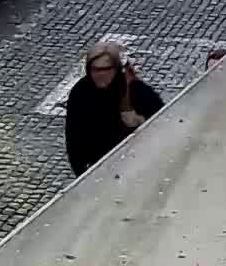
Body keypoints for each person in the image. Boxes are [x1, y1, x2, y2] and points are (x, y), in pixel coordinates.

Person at [65, 41, 165, 177]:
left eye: (106, 69)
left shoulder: (136, 90)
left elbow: (162, 123)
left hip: (137, 167)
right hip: (98, 168)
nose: (100, 74)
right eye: (95, 69)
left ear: (116, 69)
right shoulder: (81, 93)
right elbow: (73, 138)